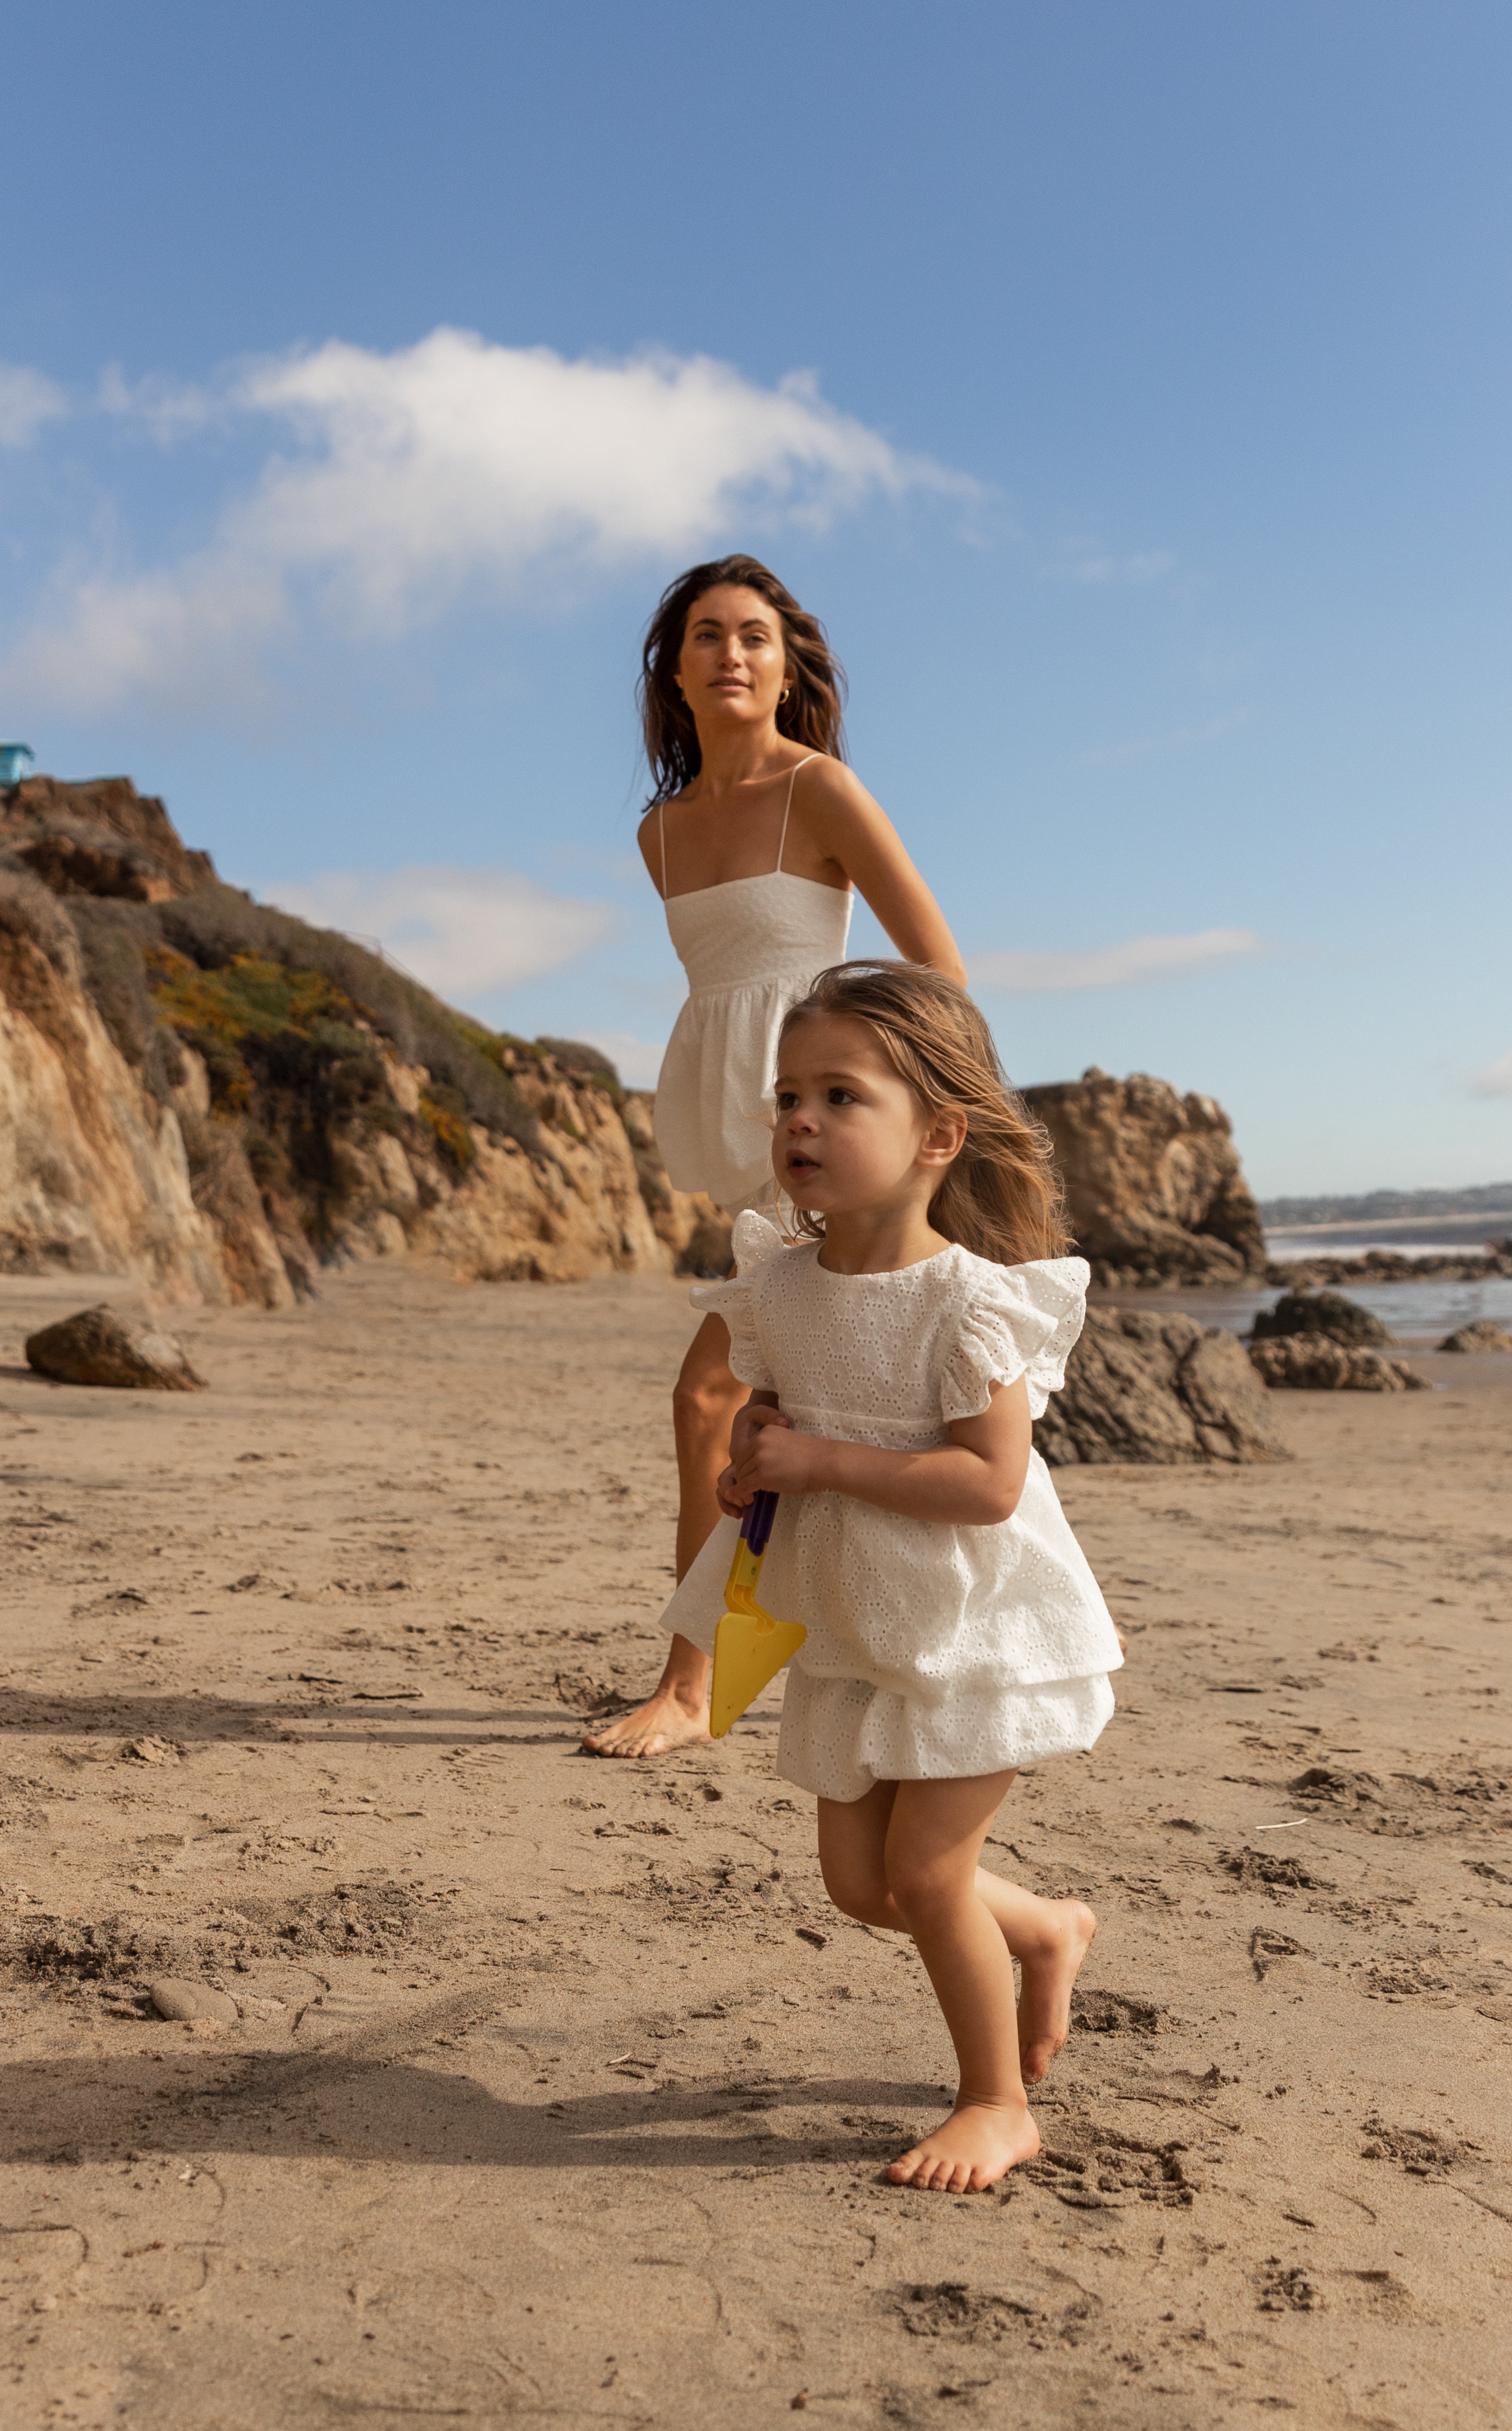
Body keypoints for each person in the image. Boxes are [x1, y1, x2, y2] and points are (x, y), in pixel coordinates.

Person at [658, 961, 1122, 2193]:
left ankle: (994, 2103)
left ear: (938, 1136)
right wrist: (756, 1464)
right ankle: (1049, 1927)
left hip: (974, 1625)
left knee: (924, 1874)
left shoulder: (967, 1304)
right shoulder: (779, 1286)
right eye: (788, 1096)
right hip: (854, 1622)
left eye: (841, 1097)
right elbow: (774, 1408)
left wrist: (821, 1456)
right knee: (865, 1887)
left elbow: (991, 1484)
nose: (799, 1121)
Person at [583, 555, 965, 1758]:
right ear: (675, 669)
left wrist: (872, 1110)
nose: (732, 654)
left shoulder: (822, 792)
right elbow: (724, 984)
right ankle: (804, 1659)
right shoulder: (660, 833)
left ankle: (694, 1687)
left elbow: (936, 972)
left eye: (755, 635)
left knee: (712, 1396)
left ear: (788, 666)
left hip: (820, 1128)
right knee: (775, 1409)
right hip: (737, 1119)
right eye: (708, 636)